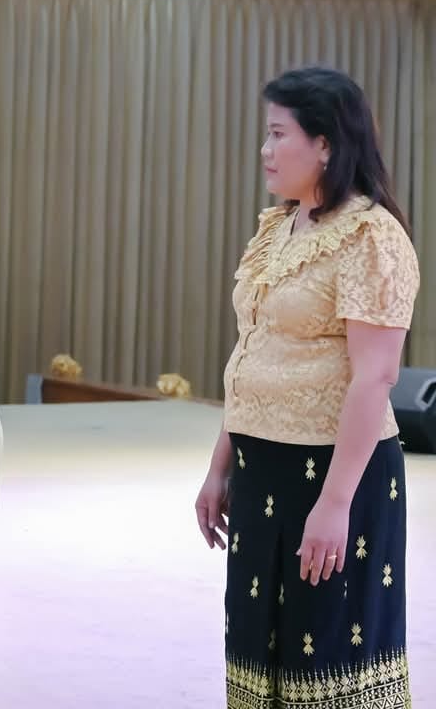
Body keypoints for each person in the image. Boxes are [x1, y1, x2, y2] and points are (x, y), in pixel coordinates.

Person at [195, 67, 418, 708]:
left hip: (334, 471)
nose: (265, 150)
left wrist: (335, 503)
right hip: (260, 466)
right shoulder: (278, 228)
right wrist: (220, 466)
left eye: (278, 134)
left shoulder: (372, 237)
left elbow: (376, 375)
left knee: (326, 657)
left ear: (325, 144)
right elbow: (253, 348)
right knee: (259, 649)